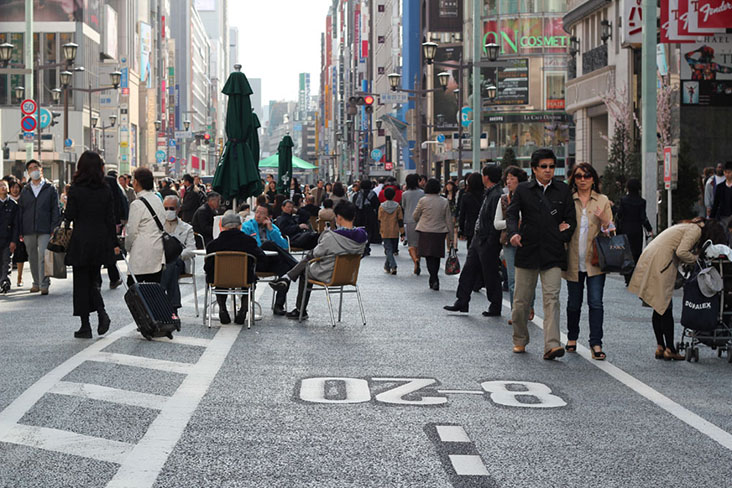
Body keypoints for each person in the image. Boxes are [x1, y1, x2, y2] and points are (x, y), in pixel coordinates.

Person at [506, 148, 576, 359]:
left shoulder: (563, 190)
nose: (548, 170)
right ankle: (519, 339)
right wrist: (513, 233)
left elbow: (570, 219)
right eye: (544, 167)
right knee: (521, 301)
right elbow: (511, 214)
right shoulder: (524, 190)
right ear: (534, 169)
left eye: (552, 167)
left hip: (552, 252)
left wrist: (563, 234)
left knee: (552, 299)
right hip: (527, 250)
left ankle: (552, 345)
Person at [629, 218, 726, 360]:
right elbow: (682, 252)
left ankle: (660, 347)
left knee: (658, 306)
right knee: (665, 306)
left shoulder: (689, 227)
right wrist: (696, 259)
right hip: (662, 263)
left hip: (653, 256)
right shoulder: (696, 230)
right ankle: (670, 349)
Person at [268, 201, 368, 320]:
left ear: (339, 217)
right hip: (348, 275)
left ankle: (299, 307)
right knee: (308, 265)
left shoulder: (332, 237)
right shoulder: (363, 237)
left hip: (328, 274)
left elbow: (315, 254)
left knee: (307, 268)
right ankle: (287, 278)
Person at [64, 152, 120, 338]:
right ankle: (99, 315)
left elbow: (70, 215)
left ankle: (86, 324)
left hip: (81, 240)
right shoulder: (105, 189)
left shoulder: (76, 189)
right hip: (100, 240)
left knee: (81, 283)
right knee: (93, 281)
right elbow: (110, 218)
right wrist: (114, 242)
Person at [562, 163, 614, 360]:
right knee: (573, 303)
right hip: (573, 259)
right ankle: (572, 338)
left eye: (587, 176)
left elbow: (611, 232)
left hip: (595, 261)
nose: (583, 180)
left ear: (593, 179)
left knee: (596, 303)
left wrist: (604, 222)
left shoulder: (602, 200)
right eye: (578, 176)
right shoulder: (568, 200)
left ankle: (596, 343)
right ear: (574, 180)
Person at [444, 166, 503, 315]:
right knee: (468, 271)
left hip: (487, 239)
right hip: (479, 237)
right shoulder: (489, 193)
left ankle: (495, 305)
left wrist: (490, 241)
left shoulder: (496, 195)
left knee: (490, 274)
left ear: (487, 177)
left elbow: (493, 221)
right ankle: (462, 301)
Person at [205, 211, 266, 324]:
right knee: (251, 278)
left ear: (222, 226)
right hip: (244, 278)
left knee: (216, 275)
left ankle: (222, 308)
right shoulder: (249, 242)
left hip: (220, 279)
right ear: (240, 226)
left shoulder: (213, 245)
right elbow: (261, 257)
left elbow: (207, 267)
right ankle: (243, 308)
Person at [241, 204, 298, 315]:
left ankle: (278, 305)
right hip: (256, 260)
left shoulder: (273, 228)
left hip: (271, 261)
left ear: (268, 217)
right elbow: (247, 245)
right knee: (268, 244)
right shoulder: (247, 226)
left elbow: (284, 246)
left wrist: (271, 230)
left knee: (286, 271)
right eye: (257, 212)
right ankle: (296, 266)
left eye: (262, 213)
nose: (258, 215)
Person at [17, 159, 61, 295]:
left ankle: (44, 283)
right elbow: (21, 210)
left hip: (45, 227)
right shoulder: (25, 189)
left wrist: (55, 226)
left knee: (43, 254)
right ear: (28, 172)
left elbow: (56, 208)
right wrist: (20, 230)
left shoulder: (50, 188)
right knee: (32, 256)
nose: (33, 170)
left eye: (35, 167)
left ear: (41, 169)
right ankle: (36, 282)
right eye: (30, 168)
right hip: (28, 228)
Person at [493, 166, 531, 324]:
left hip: (528, 241)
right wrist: (513, 223)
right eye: (507, 179)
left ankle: (529, 307)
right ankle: (517, 313)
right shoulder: (503, 199)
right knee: (512, 279)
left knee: (528, 278)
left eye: (512, 179)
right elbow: (496, 224)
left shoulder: (529, 197)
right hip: (508, 242)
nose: (508, 182)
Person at [125, 167, 166, 284]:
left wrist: (127, 247)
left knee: (135, 290)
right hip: (157, 252)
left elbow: (132, 231)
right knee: (154, 291)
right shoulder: (158, 200)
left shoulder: (137, 204)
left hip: (141, 254)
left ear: (136, 182)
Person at [413, 178, 454, 291]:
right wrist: (451, 238)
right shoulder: (444, 201)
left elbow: (415, 216)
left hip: (425, 230)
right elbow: (448, 219)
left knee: (428, 256)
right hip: (439, 232)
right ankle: (434, 277)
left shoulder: (423, 200)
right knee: (436, 256)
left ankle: (433, 277)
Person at [160, 195, 197, 315]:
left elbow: (192, 249)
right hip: (160, 261)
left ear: (178, 209)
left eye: (172, 208)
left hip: (180, 261)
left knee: (174, 263)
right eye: (165, 208)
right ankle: (173, 308)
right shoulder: (157, 226)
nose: (168, 211)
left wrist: (178, 254)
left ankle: (160, 293)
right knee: (172, 268)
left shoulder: (187, 228)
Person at [615, 178, 653, 286]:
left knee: (626, 253)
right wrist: (649, 228)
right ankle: (634, 276)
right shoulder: (641, 202)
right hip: (637, 230)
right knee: (636, 253)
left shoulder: (623, 200)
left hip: (625, 229)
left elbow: (620, 215)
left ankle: (627, 276)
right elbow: (643, 217)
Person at [401, 174, 425, 275]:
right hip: (421, 220)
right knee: (419, 243)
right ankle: (417, 261)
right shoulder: (422, 193)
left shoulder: (405, 194)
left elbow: (403, 206)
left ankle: (415, 260)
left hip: (409, 220)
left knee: (411, 244)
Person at [378, 187, 404, 275]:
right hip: (395, 230)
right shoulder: (397, 206)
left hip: (384, 230)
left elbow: (379, 219)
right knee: (391, 249)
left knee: (388, 249)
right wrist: (402, 232)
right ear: (394, 196)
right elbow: (400, 220)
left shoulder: (381, 206)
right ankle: (387, 266)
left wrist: (379, 230)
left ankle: (393, 265)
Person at [0, 179, 20, 293]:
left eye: (5, 185)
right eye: (1, 185)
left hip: (8, 238)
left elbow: (16, 225)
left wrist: (14, 241)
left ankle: (5, 281)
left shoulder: (13, 205)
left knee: (6, 261)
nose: (3, 187)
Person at [7, 179, 27, 287]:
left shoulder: (23, 200)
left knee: (20, 254)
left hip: (20, 229)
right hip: (8, 231)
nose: (15, 190)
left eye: (17, 187)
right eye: (13, 187)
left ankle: (19, 277)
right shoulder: (6, 200)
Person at [353, 180, 381, 255]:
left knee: (360, 230)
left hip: (359, 215)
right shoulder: (373, 194)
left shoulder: (357, 195)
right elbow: (376, 205)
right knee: (369, 231)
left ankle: (361, 246)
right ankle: (366, 246)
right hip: (369, 215)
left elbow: (354, 205)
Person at [458, 172, 484, 249]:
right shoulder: (485, 195)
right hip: (483, 227)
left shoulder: (466, 196)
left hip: (470, 227)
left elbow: (462, 214)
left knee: (471, 249)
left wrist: (461, 229)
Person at [710, 161, 732, 239]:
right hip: (723, 215)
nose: (727, 174)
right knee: (723, 235)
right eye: (725, 172)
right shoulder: (720, 187)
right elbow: (716, 203)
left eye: (729, 172)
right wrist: (712, 217)